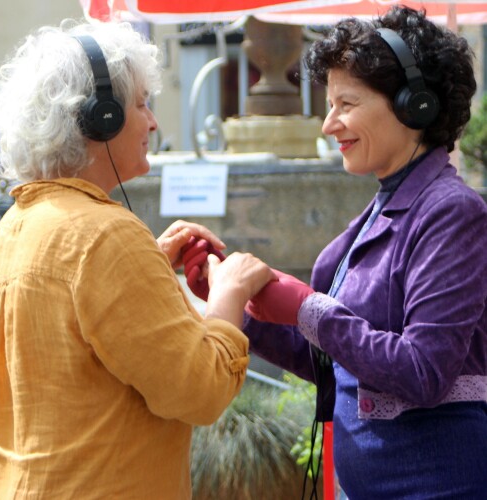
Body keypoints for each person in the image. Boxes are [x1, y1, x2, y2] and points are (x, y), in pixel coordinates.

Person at [183, 6, 487, 498]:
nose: (329, 124)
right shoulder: (380, 208)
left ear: (414, 106)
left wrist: (306, 306)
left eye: (346, 103)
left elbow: (424, 371)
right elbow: (333, 358)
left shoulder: (452, 211)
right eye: (330, 105)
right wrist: (230, 300)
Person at [0, 20, 275, 499]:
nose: (153, 122)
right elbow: (200, 391)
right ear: (99, 117)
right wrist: (230, 295)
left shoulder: (17, 223)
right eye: (141, 103)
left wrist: (149, 264)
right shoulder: (107, 236)